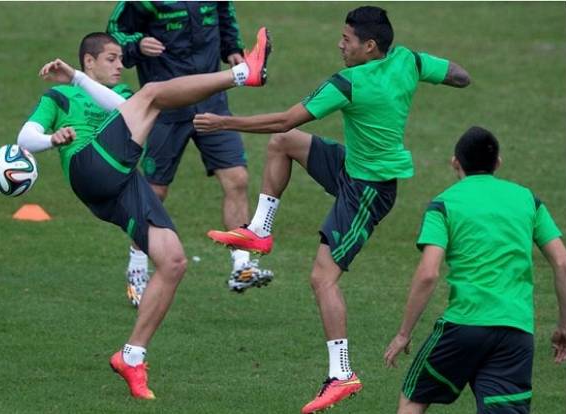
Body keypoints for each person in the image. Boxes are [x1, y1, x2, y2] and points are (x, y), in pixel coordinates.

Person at [195, 6, 470, 413]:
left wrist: (224, 124)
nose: (340, 44)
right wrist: (433, 77)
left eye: (348, 39)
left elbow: (285, 117)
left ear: (369, 46)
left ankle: (341, 375)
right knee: (284, 144)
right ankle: (260, 229)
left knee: (323, 278)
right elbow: (460, 76)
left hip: (368, 190)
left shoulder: (348, 83)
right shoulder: (408, 60)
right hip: (351, 165)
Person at [16, 29, 270, 400]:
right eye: (112, 59)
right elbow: (26, 137)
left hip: (119, 183)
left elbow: (119, 108)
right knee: (152, 93)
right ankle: (241, 74)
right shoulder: (58, 96)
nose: (121, 65)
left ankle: (131, 356)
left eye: (121, 59)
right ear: (89, 60)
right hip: (90, 168)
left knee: (173, 261)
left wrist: (77, 77)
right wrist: (51, 140)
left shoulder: (116, 96)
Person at [383, 126, 566, 414]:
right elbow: (563, 262)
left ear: (455, 162)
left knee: (413, 397)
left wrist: (404, 333)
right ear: (498, 163)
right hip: (516, 332)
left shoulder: (443, 204)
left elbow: (429, 273)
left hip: (464, 326)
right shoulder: (528, 200)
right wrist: (565, 325)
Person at [107, 1, 272, 305]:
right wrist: (138, 45)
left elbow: (224, 14)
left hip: (212, 101)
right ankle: (137, 268)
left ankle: (241, 265)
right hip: (167, 106)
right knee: (154, 193)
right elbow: (115, 34)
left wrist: (231, 49)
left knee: (236, 178)